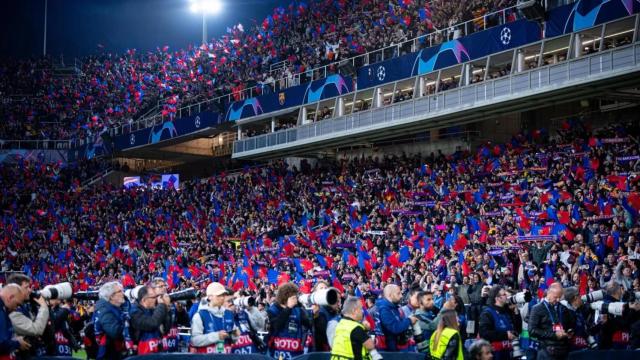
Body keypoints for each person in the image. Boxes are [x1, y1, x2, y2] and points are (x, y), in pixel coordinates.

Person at [6, 274, 51, 357]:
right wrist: (43, 306)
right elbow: (36, 329)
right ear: (16, 290)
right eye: (26, 287)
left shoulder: (25, 306)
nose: (30, 290)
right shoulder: (13, 312)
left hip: (34, 352)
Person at [266, 282, 312, 360]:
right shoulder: (273, 310)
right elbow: (276, 326)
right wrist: (288, 308)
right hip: (277, 354)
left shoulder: (298, 310)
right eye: (293, 296)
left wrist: (315, 314)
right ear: (285, 296)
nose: (295, 299)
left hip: (296, 354)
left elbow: (310, 324)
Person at [190, 282, 238, 354]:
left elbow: (234, 339)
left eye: (223, 295)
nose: (222, 298)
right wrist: (216, 336)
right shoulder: (199, 315)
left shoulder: (229, 314)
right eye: (219, 295)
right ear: (210, 297)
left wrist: (235, 335)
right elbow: (194, 340)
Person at [529, 283, 571, 360]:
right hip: (546, 351)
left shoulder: (563, 308)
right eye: (556, 297)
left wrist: (569, 331)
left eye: (560, 297)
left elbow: (569, 324)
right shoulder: (537, 308)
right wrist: (554, 335)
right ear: (549, 293)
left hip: (563, 350)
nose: (558, 300)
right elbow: (532, 331)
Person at [374, 284, 417, 352]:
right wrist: (409, 320)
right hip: (390, 351)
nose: (401, 296)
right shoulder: (384, 309)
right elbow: (394, 328)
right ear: (390, 295)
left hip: (396, 348)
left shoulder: (393, 307)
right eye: (398, 293)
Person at [94, 281, 130, 360]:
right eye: (120, 291)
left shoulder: (114, 308)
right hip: (108, 353)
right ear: (111, 296)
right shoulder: (104, 310)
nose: (123, 294)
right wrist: (129, 323)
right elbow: (114, 332)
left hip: (115, 352)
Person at [479, 286, 517, 360]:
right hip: (495, 354)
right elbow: (484, 333)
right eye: (504, 294)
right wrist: (505, 335)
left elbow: (517, 329)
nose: (507, 296)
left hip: (509, 353)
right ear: (497, 298)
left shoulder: (507, 311)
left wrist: (516, 312)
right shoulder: (487, 313)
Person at [130, 285, 170, 354]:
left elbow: (166, 329)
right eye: (154, 297)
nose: (156, 299)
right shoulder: (134, 312)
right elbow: (152, 323)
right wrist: (161, 305)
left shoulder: (154, 310)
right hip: (143, 354)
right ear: (144, 300)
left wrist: (167, 308)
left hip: (157, 351)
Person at [0, 284, 31, 359]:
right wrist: (17, 344)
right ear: (10, 297)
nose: (16, 308)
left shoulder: (4, 310)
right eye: (17, 304)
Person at [149, 278, 179, 352]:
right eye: (160, 286)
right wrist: (163, 306)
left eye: (164, 286)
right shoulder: (149, 305)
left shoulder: (170, 302)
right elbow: (160, 329)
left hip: (171, 346)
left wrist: (181, 311)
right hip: (154, 348)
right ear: (153, 289)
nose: (164, 288)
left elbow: (185, 321)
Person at [560, 287, 590, 351]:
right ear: (576, 297)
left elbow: (585, 330)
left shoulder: (579, 311)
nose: (581, 297)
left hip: (583, 348)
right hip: (572, 351)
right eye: (579, 295)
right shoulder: (565, 313)